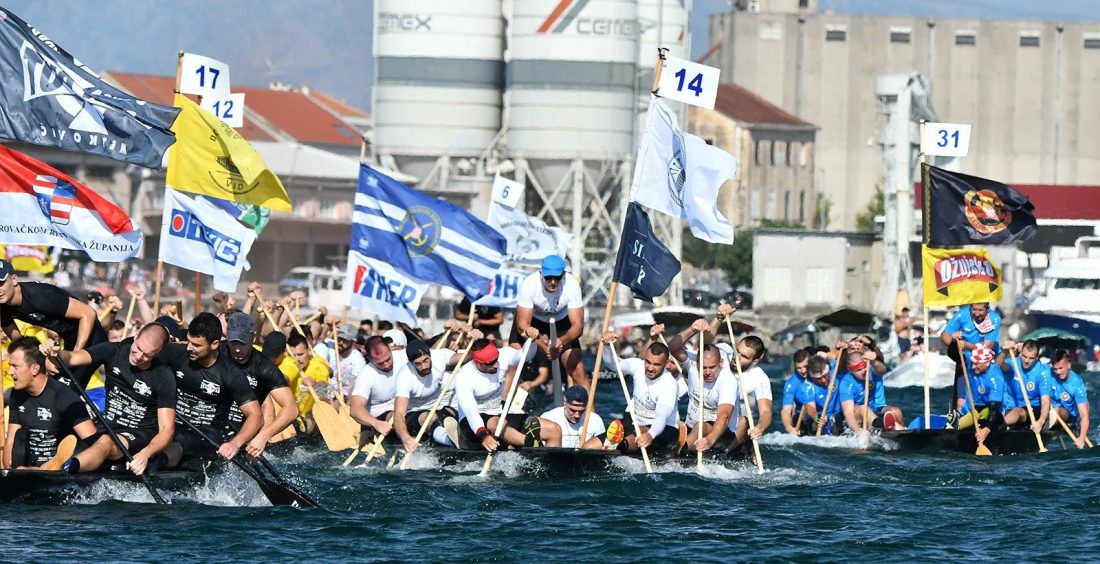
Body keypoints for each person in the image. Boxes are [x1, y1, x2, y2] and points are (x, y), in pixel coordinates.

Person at [46, 323, 176, 475]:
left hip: (140, 434)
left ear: (158, 354)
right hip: (108, 426)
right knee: (72, 440)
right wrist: (55, 353)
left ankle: (65, 472)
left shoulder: (164, 377)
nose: (139, 356)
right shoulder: (114, 351)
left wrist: (145, 454)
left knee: (105, 442)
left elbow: (167, 431)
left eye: (147, 355)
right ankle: (42, 470)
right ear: (136, 336)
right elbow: (73, 358)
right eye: (138, 348)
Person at [160, 313, 262, 466]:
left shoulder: (231, 374)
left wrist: (235, 444)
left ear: (214, 344)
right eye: (189, 341)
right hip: (173, 424)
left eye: (196, 345)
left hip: (208, 435)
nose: (189, 348)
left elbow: (256, 416)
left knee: (181, 440)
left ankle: (156, 463)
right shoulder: (177, 353)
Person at [4, 337, 97, 469]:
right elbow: (11, 441)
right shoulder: (16, 394)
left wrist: (53, 466)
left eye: (15, 366)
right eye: (10, 366)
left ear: (35, 369)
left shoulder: (63, 396)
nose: (10, 372)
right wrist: (10, 473)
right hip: (25, 472)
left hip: (58, 472)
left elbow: (93, 443)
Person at [224, 312, 297, 458]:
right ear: (226, 335)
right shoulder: (216, 352)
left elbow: (291, 409)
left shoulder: (265, 367)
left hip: (243, 432)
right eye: (233, 342)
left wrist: (263, 437)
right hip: (212, 426)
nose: (237, 349)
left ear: (253, 337)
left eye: (242, 343)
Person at [511, 254, 588, 391]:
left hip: (561, 322)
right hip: (533, 323)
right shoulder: (529, 284)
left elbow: (578, 327)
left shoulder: (572, 285)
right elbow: (522, 325)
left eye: (557, 278)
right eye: (548, 278)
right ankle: (503, 405)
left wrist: (561, 341)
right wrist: (545, 347)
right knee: (511, 363)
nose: (552, 282)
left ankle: (588, 412)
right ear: (541, 274)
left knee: (578, 370)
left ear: (564, 275)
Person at [602, 333, 682, 457]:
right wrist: (606, 346)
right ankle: (608, 449)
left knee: (641, 430)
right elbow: (613, 365)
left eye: (656, 364)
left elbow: (662, 416)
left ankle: (618, 447)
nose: (650, 368)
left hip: (663, 431)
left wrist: (650, 435)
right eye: (648, 362)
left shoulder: (669, 385)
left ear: (666, 363)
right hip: (634, 423)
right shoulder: (638, 366)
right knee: (590, 446)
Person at [453, 338, 529, 452]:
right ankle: (531, 443)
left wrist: (531, 342)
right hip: (473, 425)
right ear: (478, 363)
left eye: (496, 360)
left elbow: (527, 355)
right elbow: (470, 411)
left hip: (499, 415)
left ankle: (550, 459)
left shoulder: (504, 355)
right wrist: (483, 435)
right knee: (497, 423)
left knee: (553, 429)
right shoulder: (465, 377)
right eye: (490, 363)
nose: (496, 365)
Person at [392, 338, 462, 454]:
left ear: (430, 355)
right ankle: (450, 441)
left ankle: (452, 439)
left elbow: (462, 358)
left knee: (451, 412)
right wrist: (405, 438)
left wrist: (474, 347)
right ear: (411, 363)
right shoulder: (405, 376)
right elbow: (399, 414)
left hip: (437, 408)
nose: (424, 366)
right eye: (418, 364)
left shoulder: (439, 356)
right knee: (428, 417)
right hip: (414, 415)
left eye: (426, 360)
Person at [349, 335, 401, 445]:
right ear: (370, 359)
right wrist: (376, 423)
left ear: (389, 349)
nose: (387, 365)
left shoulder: (402, 356)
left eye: (388, 359)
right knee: (395, 415)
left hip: (403, 409)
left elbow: (434, 354)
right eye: (380, 363)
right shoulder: (366, 375)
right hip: (379, 418)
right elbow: (354, 409)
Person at [951, 344, 1006, 443]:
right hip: (975, 411)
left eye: (976, 364)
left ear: (987, 362)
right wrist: (954, 343)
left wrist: (986, 430)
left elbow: (994, 408)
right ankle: (954, 425)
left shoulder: (995, 378)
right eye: (972, 363)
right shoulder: (973, 368)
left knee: (984, 412)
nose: (972, 367)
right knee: (953, 425)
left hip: (992, 415)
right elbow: (954, 354)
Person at [999, 339, 1052, 432]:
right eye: (1024, 356)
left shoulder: (1042, 372)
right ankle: (998, 427)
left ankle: (998, 427)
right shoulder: (1013, 363)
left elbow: (1045, 401)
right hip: (1011, 408)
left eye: (1031, 358)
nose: (1026, 361)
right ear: (1020, 353)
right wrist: (1005, 351)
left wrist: (1041, 421)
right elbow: (998, 365)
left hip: (1032, 410)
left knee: (1018, 411)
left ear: (1036, 358)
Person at [729, 336, 773, 447]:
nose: (737, 357)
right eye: (737, 351)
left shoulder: (759, 378)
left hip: (739, 429)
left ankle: (722, 454)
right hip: (715, 419)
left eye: (744, 356)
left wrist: (759, 428)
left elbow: (766, 412)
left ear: (754, 361)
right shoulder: (722, 357)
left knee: (744, 420)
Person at [535, 385, 606, 449]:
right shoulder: (548, 418)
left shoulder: (595, 420)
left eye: (581, 411)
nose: (577, 415)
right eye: (572, 410)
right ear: (564, 401)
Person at [1048, 349, 1090, 449]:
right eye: (1055, 369)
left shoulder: (1077, 384)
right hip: (1049, 412)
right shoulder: (1047, 372)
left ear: (1069, 365)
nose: (1058, 372)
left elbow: (1084, 415)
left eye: (1061, 368)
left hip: (1068, 417)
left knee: (1058, 410)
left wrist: (1082, 437)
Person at [780, 349, 813, 435]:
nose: (803, 371)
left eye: (805, 366)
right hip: (802, 418)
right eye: (799, 368)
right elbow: (786, 411)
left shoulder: (821, 374)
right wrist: (789, 428)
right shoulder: (791, 383)